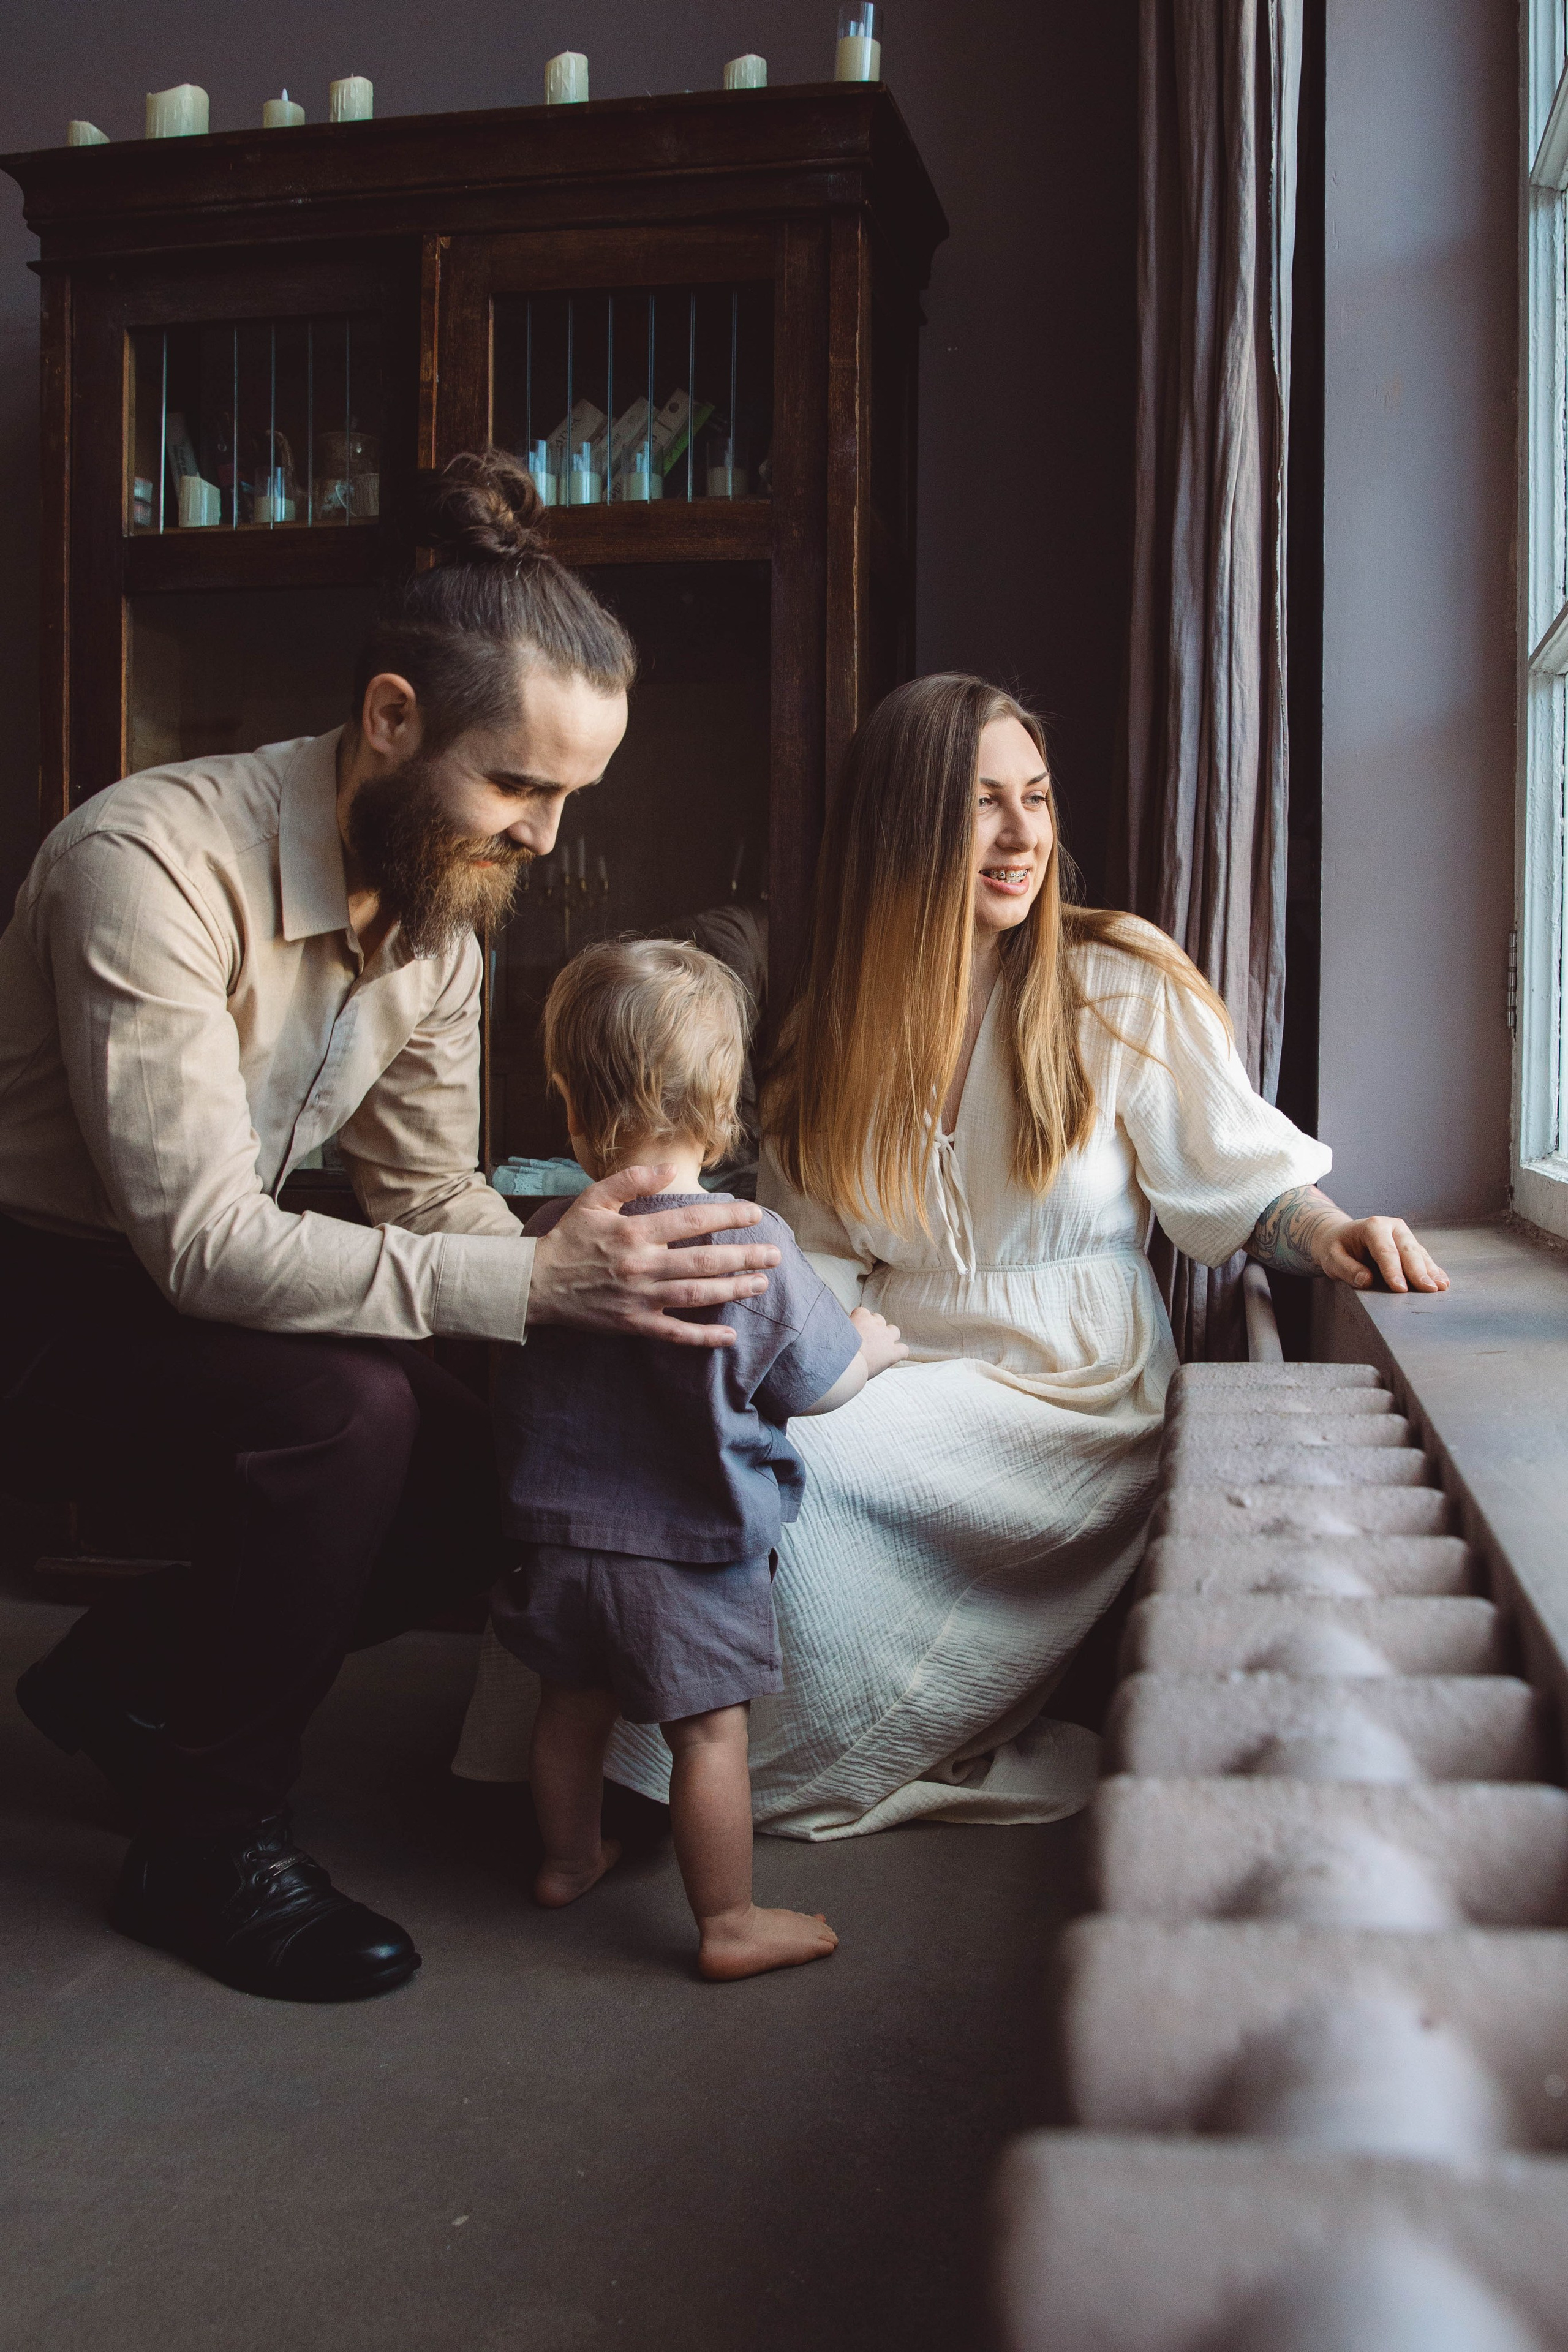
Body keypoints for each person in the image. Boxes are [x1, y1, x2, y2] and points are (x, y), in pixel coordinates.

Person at [0, 449, 783, 2002]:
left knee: (516, 1437)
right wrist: (532, 1282)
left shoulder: (439, 914)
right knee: (349, 1416)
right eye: (519, 788)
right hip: (43, 1284)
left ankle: (130, 1682)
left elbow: (428, 1199)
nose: (547, 839)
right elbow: (203, 1251)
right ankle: (206, 1842)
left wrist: (612, 1289)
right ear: (389, 720)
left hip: (205, 1270)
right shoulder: (142, 862)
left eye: (574, 796)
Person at [459, 672, 1447, 1838]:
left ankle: (679, 1784)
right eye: (985, 804)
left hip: (1065, 1391)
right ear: (905, 826)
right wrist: (731, 1379)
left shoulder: (1117, 982)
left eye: (1035, 798)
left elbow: (1237, 1181)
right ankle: (577, 1772)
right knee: (669, 1450)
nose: (1024, 834)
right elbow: (809, 1259)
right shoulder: (837, 1023)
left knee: (798, 1498)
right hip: (875, 1354)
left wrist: (1329, 1232)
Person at [492, 939, 906, 1977]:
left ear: (574, 1108)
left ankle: (566, 1858)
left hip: (557, 1542)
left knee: (568, 1709)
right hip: (692, 1556)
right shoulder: (749, 1243)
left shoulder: (547, 1238)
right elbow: (820, 1385)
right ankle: (727, 1923)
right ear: (725, 1110)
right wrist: (871, 1344)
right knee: (709, 1738)